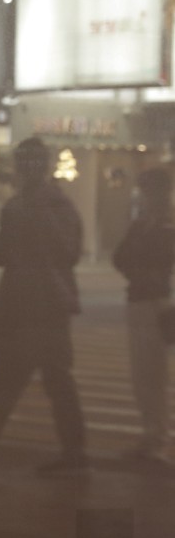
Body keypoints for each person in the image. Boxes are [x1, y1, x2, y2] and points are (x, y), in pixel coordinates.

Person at [0, 137, 87, 477]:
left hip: (22, 308)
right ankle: (76, 457)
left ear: (23, 168)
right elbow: (70, 253)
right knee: (60, 384)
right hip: (55, 306)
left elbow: (6, 253)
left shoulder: (18, 207)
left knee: (3, 387)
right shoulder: (63, 206)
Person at [112, 167, 175, 469]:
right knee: (141, 374)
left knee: (154, 374)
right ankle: (149, 435)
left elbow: (161, 264)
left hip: (160, 304)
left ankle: (158, 439)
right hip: (138, 299)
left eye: (149, 190)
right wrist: (139, 270)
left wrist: (144, 270)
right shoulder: (142, 224)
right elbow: (120, 257)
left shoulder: (168, 224)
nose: (147, 196)